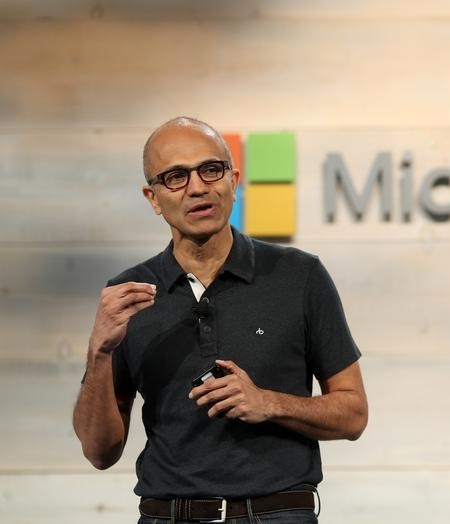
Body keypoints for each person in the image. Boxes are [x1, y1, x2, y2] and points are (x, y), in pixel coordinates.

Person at [73, 116, 368, 524]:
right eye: (175, 176)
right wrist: (99, 351)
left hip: (277, 512)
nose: (197, 187)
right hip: (168, 514)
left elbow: (353, 414)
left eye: (211, 169)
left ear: (234, 180)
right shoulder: (128, 293)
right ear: (153, 197)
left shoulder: (298, 275)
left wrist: (269, 403)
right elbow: (99, 451)